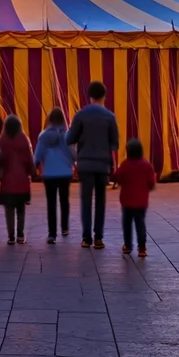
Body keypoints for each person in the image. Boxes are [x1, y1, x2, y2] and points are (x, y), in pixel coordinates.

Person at [66, 81, 120, 249]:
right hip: (103, 164)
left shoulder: (81, 115)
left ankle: (86, 237)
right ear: (105, 96)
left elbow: (69, 139)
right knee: (100, 201)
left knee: (86, 201)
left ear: (89, 96)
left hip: (85, 164)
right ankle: (98, 238)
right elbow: (115, 143)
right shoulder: (110, 117)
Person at [34, 107, 73, 244]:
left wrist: (35, 167)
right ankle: (65, 227)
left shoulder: (43, 136)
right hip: (65, 173)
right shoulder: (67, 136)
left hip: (49, 173)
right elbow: (73, 155)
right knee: (64, 201)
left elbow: (37, 156)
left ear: (49, 120)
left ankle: (52, 234)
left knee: (51, 203)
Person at [111, 138, 156, 257]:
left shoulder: (125, 164)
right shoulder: (146, 165)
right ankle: (142, 248)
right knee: (140, 224)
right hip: (141, 202)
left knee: (127, 224)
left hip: (127, 202)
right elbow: (151, 182)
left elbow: (116, 177)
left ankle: (128, 245)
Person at [0, 115, 35, 245]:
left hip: (7, 182)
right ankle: (20, 235)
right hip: (22, 182)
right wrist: (32, 172)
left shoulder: (2, 140)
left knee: (9, 211)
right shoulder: (24, 139)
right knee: (20, 210)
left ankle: (11, 236)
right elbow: (29, 161)